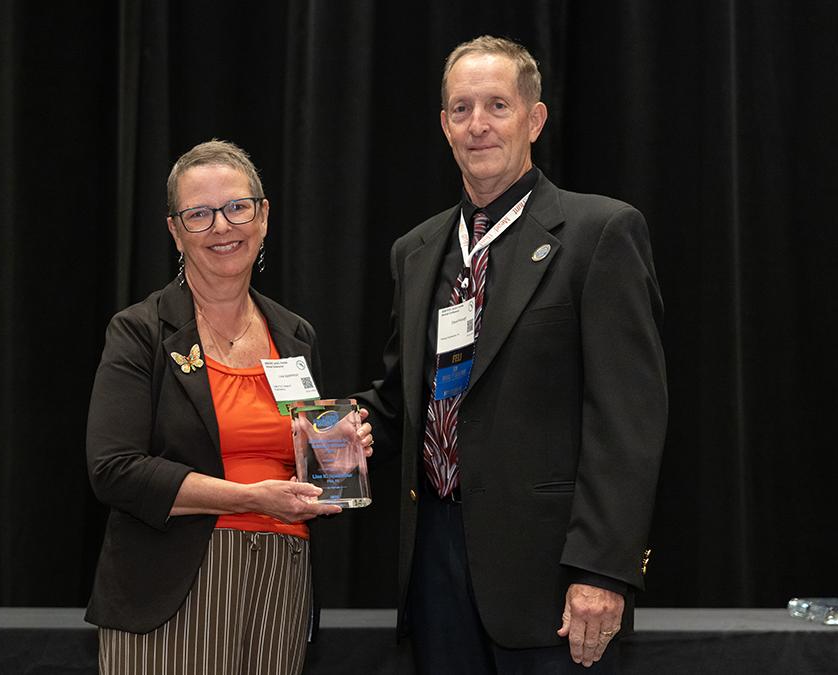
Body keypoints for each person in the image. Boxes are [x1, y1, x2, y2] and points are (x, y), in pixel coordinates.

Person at [356, 36, 667, 673]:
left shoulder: (598, 234)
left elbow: (627, 420)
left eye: (497, 105)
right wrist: (334, 429)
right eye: (461, 108)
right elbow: (402, 402)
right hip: (435, 566)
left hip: (552, 578)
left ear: (535, 117)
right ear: (443, 125)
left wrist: (602, 571)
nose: (478, 124)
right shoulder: (415, 253)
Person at [84, 139, 372, 675]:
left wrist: (340, 453)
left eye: (237, 207)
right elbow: (114, 470)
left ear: (263, 217)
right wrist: (248, 498)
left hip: (281, 584)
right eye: (199, 214)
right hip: (173, 590)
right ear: (175, 230)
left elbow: (306, 466)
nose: (222, 226)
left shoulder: (294, 334)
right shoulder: (140, 331)